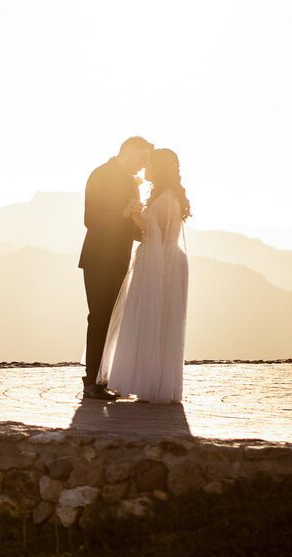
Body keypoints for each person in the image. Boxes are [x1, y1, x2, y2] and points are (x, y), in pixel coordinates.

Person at [97, 148, 191, 403]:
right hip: (168, 260)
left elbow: (154, 230)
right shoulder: (169, 196)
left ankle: (147, 383)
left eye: (150, 164)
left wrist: (134, 214)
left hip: (156, 262)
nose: (146, 168)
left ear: (159, 168)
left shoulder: (165, 198)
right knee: (159, 321)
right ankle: (155, 382)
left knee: (147, 319)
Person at [78, 136, 154, 400]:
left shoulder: (133, 183)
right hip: (98, 258)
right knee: (99, 317)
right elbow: (90, 219)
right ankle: (91, 383)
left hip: (119, 259)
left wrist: (151, 229)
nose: (144, 165)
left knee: (112, 319)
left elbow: (129, 227)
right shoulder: (101, 174)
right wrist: (123, 214)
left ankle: (103, 377)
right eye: (141, 158)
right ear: (128, 151)